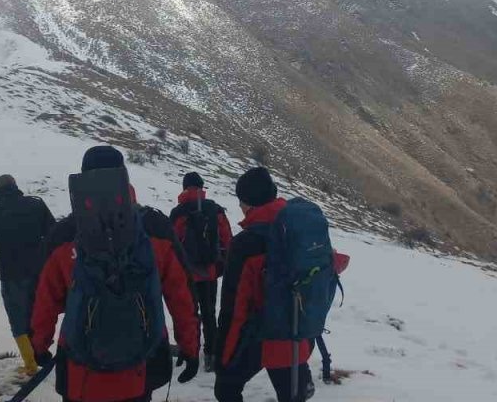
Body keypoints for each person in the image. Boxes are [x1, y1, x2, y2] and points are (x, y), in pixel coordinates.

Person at [31, 145, 201, 402]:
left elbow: (45, 300)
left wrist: (39, 345)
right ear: (124, 177)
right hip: (141, 365)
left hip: (81, 371)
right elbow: (182, 297)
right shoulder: (154, 229)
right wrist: (190, 346)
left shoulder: (64, 235)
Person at [214, 168, 348, 402]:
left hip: (260, 337)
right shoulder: (299, 229)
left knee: (226, 389)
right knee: (292, 393)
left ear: (247, 203)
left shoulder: (246, 244)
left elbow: (234, 310)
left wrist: (222, 358)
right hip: (299, 332)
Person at [0, 173, 55, 375]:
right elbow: (54, 234)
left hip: (12, 275)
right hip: (39, 271)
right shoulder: (36, 205)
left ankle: (30, 364)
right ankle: (42, 351)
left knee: (18, 320)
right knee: (40, 313)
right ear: (15, 186)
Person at [168, 171, 232, 372]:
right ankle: (211, 355)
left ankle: (190, 353)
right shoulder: (215, 209)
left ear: (184, 187)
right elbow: (227, 240)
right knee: (209, 313)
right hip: (210, 272)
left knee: (189, 313)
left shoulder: (178, 212)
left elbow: (172, 244)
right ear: (202, 188)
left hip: (186, 274)